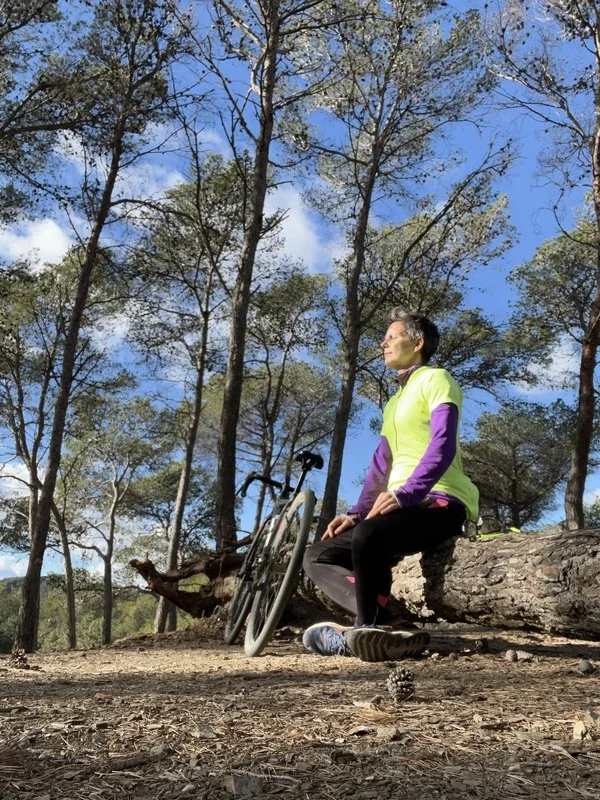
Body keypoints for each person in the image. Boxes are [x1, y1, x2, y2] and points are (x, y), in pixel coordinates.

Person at [302, 308, 479, 662]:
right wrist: (355, 513)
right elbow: (382, 464)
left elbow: (442, 443)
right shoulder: (394, 402)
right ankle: (385, 621)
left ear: (418, 342)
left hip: (439, 501)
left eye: (392, 336)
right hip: (394, 508)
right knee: (317, 554)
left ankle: (362, 631)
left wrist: (407, 493)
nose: (383, 342)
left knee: (371, 536)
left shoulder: (437, 378)